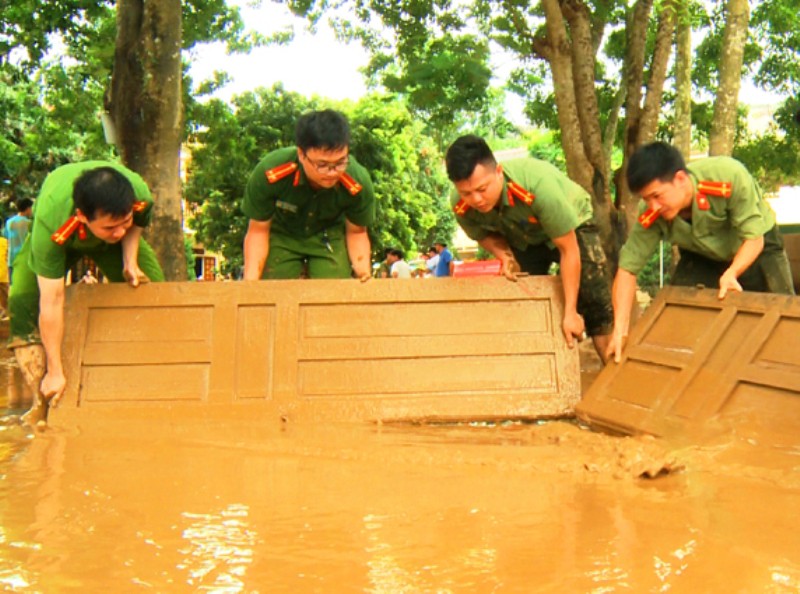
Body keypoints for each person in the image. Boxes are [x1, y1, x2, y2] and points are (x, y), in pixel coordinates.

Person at [607, 141, 795, 362]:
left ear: (680, 179)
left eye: (657, 196)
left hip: (758, 247)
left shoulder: (727, 176)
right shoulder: (651, 214)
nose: (653, 206)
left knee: (786, 320)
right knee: (676, 317)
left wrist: (732, 272)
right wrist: (620, 329)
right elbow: (627, 270)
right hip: (701, 255)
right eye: (646, 199)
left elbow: (754, 239)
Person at [9, 162, 165, 426]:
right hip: (62, 239)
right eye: (110, 227)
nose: (119, 231)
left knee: (155, 292)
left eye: (123, 221)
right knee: (22, 299)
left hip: (110, 247)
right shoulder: (51, 222)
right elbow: (52, 300)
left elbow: (136, 223)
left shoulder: (138, 194)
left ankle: (150, 386)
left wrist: (130, 260)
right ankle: (43, 401)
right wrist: (56, 370)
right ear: (82, 216)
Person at [445, 134, 613, 359]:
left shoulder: (538, 188)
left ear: (498, 173)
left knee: (596, 301)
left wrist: (571, 312)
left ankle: (612, 378)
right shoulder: (459, 204)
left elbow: (568, 250)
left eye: (482, 189)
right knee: (525, 297)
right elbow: (483, 234)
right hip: (523, 236)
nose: (476, 199)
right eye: (466, 193)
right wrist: (504, 256)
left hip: (572, 225)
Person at [242, 109, 376, 280]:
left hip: (328, 236)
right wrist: (250, 284)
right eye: (322, 164)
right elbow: (258, 231)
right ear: (301, 154)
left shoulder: (357, 182)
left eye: (340, 163)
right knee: (275, 291)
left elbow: (357, 232)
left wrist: (363, 272)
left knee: (333, 294)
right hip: (283, 234)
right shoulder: (271, 172)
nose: (332, 172)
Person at [6, 198, 33, 282]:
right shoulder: (29, 223)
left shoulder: (9, 222)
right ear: (28, 208)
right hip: (24, 260)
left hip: (11, 259)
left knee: (12, 286)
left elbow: (7, 238)